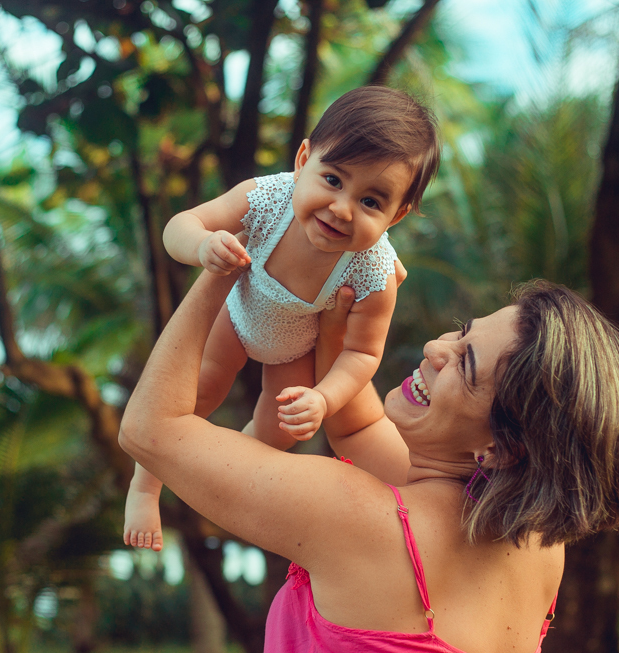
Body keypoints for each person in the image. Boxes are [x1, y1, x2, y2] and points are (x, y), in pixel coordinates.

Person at [119, 268, 619, 653]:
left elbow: (150, 430)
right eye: (463, 329)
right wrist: (344, 312)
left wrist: (219, 273)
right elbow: (354, 427)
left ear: (502, 447)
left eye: (464, 363)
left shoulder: (362, 523)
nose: (435, 348)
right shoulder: (539, 543)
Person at [122, 86, 441, 552]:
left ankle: (219, 480)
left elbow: (362, 353)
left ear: (398, 215)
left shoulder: (375, 272)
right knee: (195, 396)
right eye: (333, 179)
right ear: (303, 159)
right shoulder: (267, 199)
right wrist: (202, 246)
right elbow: (181, 224)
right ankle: (144, 487)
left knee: (275, 436)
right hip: (235, 318)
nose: (342, 208)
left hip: (294, 349)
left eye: (372, 202)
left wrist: (323, 398)